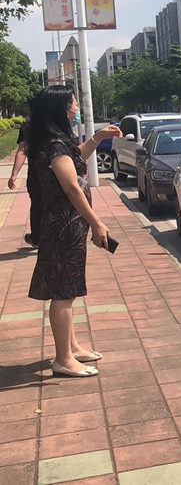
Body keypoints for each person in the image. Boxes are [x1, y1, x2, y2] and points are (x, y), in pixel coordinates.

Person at [27, 85, 121, 377]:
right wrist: (96, 222)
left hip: (65, 224)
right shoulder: (54, 145)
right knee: (64, 292)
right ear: (62, 108)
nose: (77, 106)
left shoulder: (55, 141)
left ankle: (72, 347)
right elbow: (71, 187)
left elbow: (75, 157)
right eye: (74, 102)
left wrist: (98, 137)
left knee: (68, 288)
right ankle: (63, 359)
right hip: (63, 225)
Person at [7, 100, 41, 247]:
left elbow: (22, 150)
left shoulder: (28, 127)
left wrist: (14, 174)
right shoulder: (57, 125)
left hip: (36, 174)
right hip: (57, 173)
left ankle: (37, 237)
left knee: (37, 205)